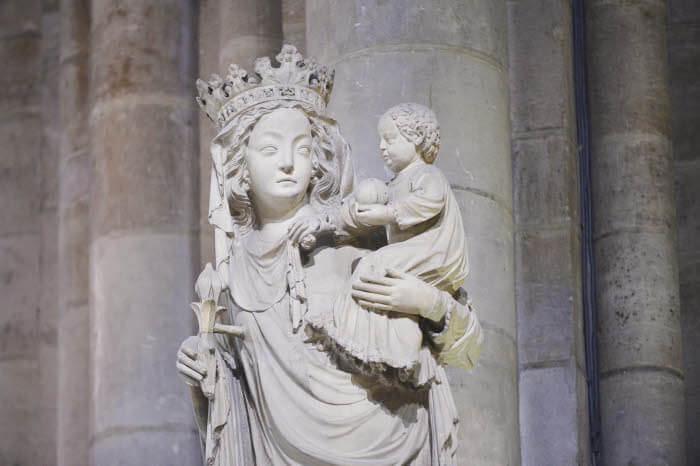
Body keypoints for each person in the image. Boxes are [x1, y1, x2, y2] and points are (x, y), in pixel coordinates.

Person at [175, 45, 483, 465]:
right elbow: (235, 402)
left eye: (302, 149)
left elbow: (469, 348)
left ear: (318, 160)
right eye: (270, 150)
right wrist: (202, 369)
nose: (288, 164)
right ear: (239, 168)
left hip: (395, 439)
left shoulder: (357, 236)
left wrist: (428, 302)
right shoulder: (231, 276)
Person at [303, 103, 469, 387]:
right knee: (377, 276)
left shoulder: (427, 175)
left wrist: (388, 213)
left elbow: (428, 202)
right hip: (414, 254)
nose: (381, 147)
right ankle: (374, 346)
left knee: (372, 265)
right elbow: (356, 215)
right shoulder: (394, 183)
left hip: (433, 251)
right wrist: (324, 222)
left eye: (390, 139)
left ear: (416, 139)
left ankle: (360, 342)